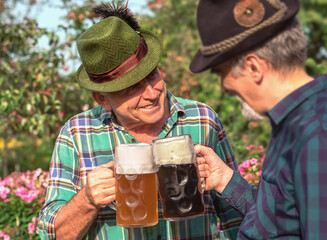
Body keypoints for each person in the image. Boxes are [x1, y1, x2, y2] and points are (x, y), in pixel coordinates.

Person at [37, 3, 243, 240]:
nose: (152, 93)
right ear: (102, 98)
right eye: (132, 88)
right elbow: (51, 235)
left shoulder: (202, 119)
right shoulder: (76, 134)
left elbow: (235, 219)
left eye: (152, 75)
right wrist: (87, 200)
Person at [189, 0, 327, 239]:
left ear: (253, 67)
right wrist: (225, 180)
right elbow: (281, 222)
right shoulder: (298, 123)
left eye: (222, 74)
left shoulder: (322, 135)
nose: (224, 88)